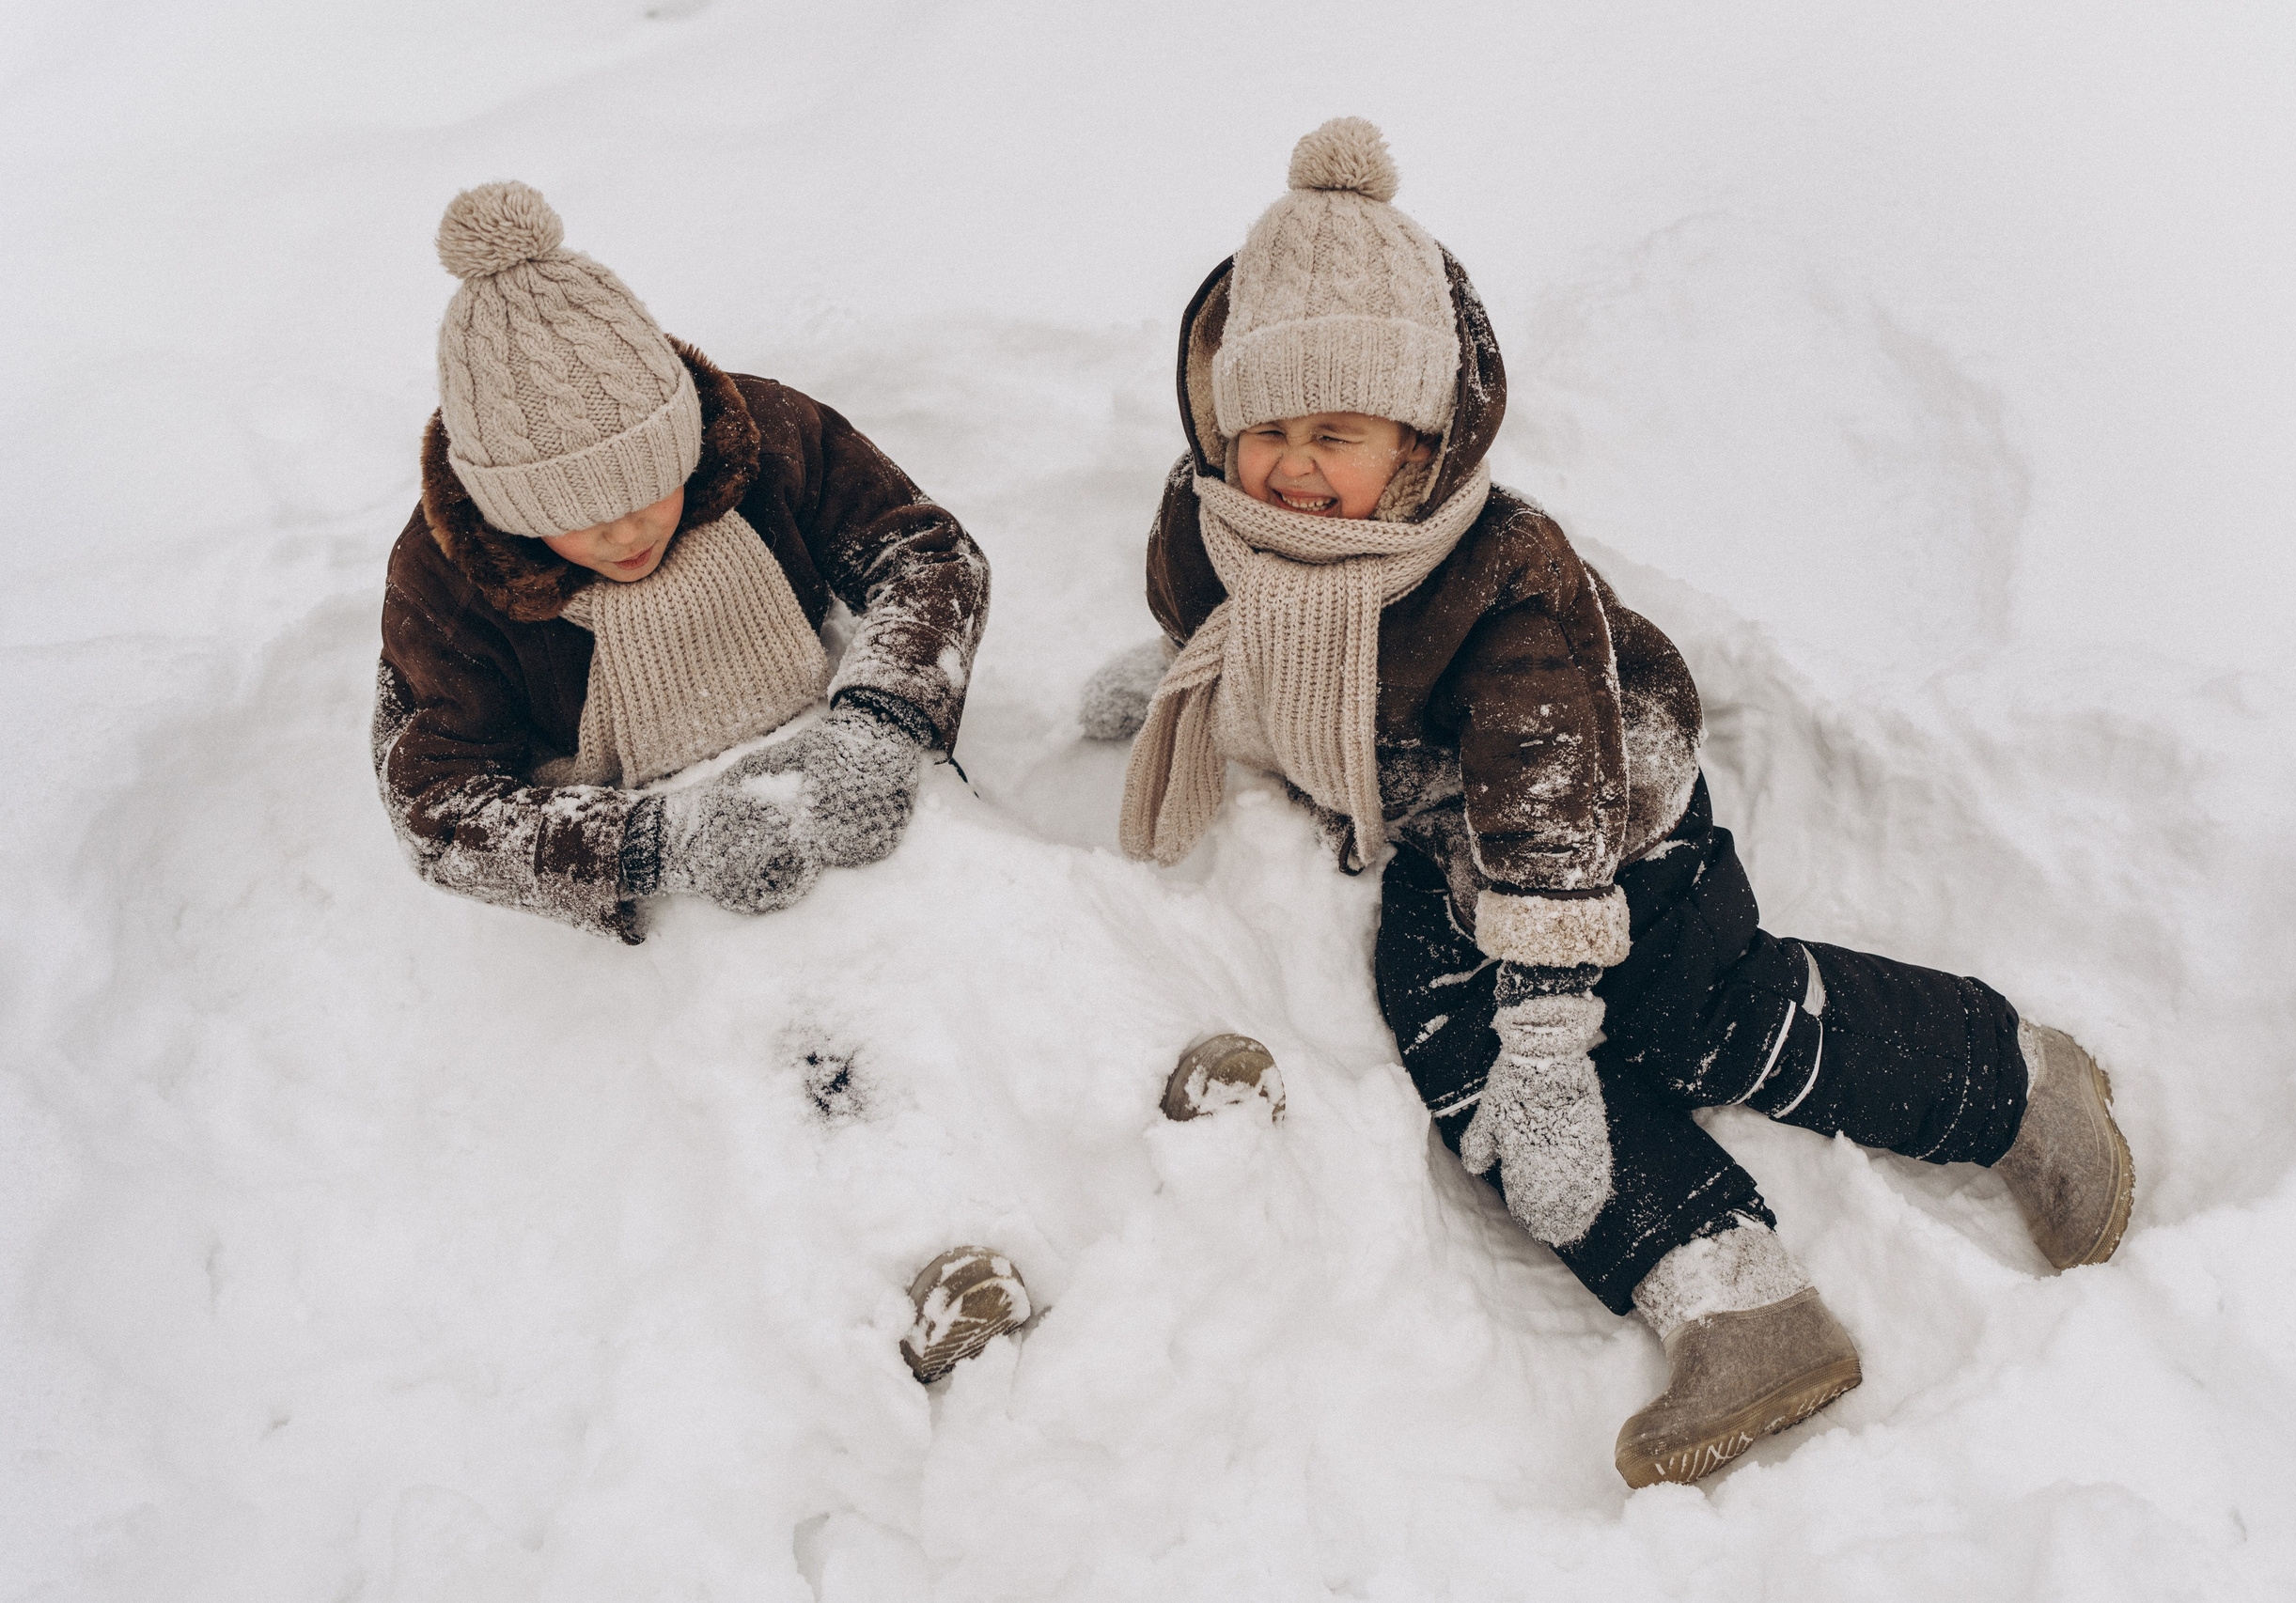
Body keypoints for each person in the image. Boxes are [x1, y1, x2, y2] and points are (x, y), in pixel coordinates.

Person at [1082, 119, 2133, 1487]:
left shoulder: (1499, 586)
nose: (1287, 467)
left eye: (1330, 436)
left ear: (1414, 441)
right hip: (1446, 832)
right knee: (1446, 1037)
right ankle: (1732, 1292)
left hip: (1602, 812)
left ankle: (2013, 1084)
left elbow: (1548, 814)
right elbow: (1210, 606)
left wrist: (1552, 1022)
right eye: (1262, 427)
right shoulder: (1214, 519)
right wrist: (1198, 681)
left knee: (1702, 1017)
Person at [375, 181, 988, 942]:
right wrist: (655, 846)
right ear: (515, 517)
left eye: (648, 490)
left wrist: (883, 717)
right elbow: (437, 810)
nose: (624, 534)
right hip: (649, 857)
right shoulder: (447, 588)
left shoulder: (769, 442)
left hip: (840, 743)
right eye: (576, 520)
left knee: (972, 918)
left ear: (686, 445)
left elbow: (926, 556)